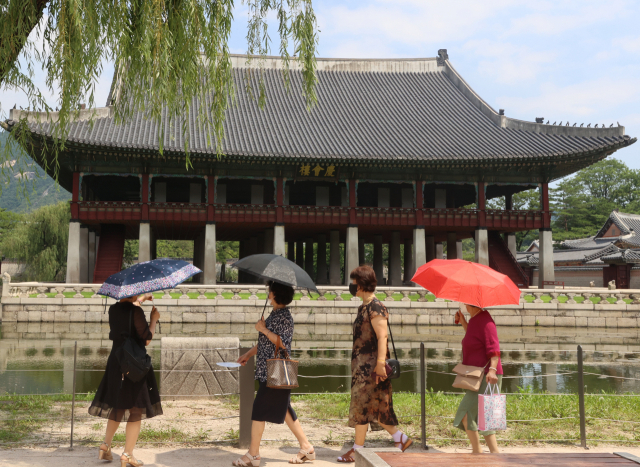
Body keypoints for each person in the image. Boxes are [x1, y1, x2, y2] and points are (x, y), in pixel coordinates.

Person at [235, 281, 315, 466]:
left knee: (259, 410)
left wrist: (263, 329)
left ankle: (253, 455)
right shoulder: (275, 314)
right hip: (268, 370)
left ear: (275, 294)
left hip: (275, 370)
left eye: (269, 291)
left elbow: (282, 343)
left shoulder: (284, 317)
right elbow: (265, 342)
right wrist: (247, 354)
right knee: (285, 409)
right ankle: (306, 447)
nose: (267, 293)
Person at [337, 266, 412, 463]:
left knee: (363, 407)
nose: (352, 286)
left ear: (361, 284)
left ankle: (357, 449)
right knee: (375, 408)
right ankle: (400, 438)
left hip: (371, 369)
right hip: (362, 368)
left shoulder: (376, 307)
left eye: (354, 283)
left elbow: (382, 337)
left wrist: (380, 364)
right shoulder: (364, 306)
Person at [89, 293, 162, 467]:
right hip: (132, 365)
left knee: (118, 405)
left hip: (116, 362)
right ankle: (127, 455)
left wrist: (141, 300)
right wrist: (154, 319)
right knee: (135, 410)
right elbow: (147, 339)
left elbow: (127, 311)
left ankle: (105, 446)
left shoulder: (113, 309)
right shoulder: (136, 312)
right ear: (134, 292)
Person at [453, 303, 503, 454]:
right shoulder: (476, 320)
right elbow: (474, 338)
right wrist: (463, 322)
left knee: (465, 413)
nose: (463, 305)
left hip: (487, 374)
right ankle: (494, 454)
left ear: (470, 304)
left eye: (465, 303)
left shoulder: (486, 321)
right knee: (486, 416)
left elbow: (494, 348)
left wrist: (493, 370)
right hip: (479, 374)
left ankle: (477, 452)